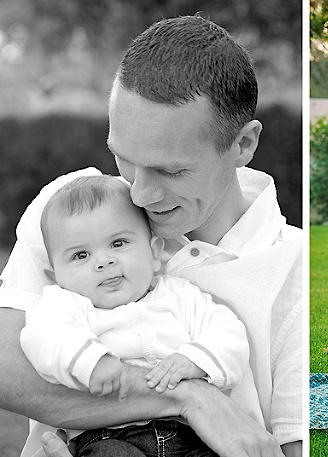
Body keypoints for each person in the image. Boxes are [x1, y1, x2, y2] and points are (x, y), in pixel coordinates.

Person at [0, 15, 302, 457]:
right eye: (122, 157)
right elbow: (6, 368)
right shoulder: (72, 211)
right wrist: (188, 396)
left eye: (170, 170)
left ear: (243, 144)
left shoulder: (292, 268)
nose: (139, 193)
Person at [21, 175, 254, 456]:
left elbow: (228, 331)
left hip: (189, 433)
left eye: (118, 243)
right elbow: (43, 336)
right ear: (55, 276)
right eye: (81, 255)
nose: (104, 261)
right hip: (107, 434)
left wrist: (195, 360)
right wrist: (91, 361)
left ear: (155, 253)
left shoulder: (179, 296)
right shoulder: (65, 305)